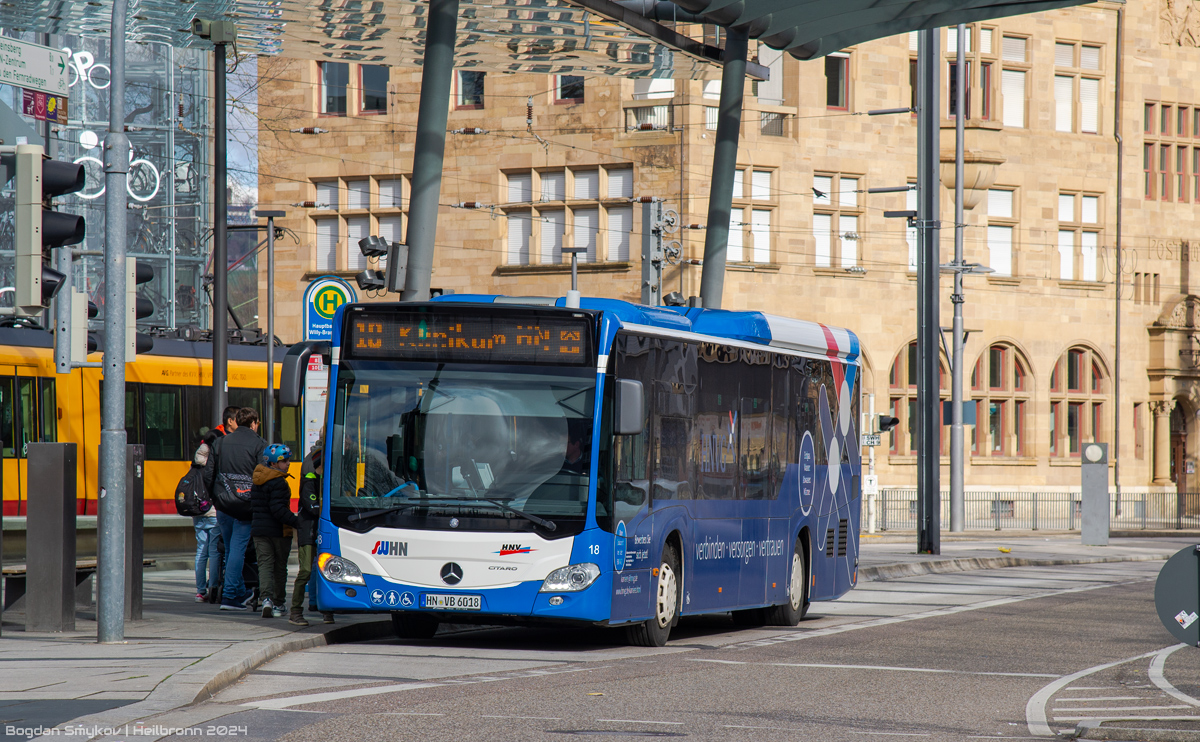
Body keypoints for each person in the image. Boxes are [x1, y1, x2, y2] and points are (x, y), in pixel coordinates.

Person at [205, 407, 266, 611]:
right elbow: (262, 477)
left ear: (237, 421)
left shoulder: (220, 442)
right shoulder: (259, 444)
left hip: (223, 504)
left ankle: (239, 590)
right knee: (238, 548)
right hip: (246, 505)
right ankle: (231, 596)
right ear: (254, 423)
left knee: (231, 548)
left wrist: (215, 497)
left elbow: (208, 474)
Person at [190, 406, 238, 603]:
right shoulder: (220, 444)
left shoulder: (202, 451)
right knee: (215, 549)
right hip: (212, 507)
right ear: (229, 421)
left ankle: (200, 590)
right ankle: (214, 588)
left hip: (197, 505)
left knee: (201, 549)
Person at [251, 443, 300, 619]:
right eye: (284, 461)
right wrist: (296, 522)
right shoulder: (279, 482)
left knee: (264, 566)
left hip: (259, 530)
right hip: (278, 531)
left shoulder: (257, 480)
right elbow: (278, 510)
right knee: (279, 568)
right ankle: (279, 603)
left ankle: (266, 600)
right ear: (273, 463)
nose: (288, 464)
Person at [290, 446, 334, 626]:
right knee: (306, 571)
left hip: (322, 532)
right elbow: (313, 507)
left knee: (327, 571)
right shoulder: (309, 482)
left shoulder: (327, 482)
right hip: (308, 533)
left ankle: (327, 611)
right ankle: (295, 612)